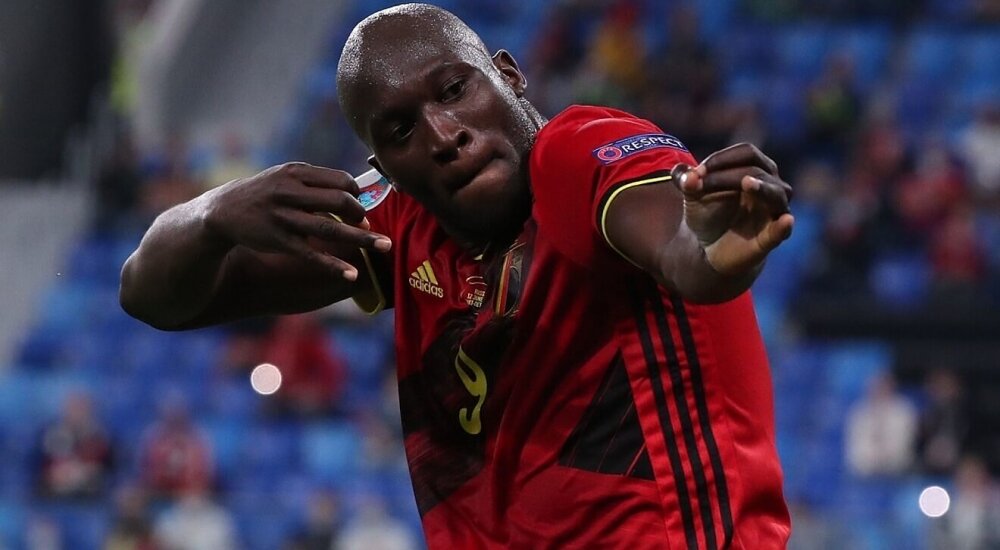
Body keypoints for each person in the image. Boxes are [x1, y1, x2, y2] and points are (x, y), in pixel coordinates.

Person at [120, 4, 795, 548]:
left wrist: (710, 248)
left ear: (508, 74)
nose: (444, 135)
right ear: (381, 165)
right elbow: (152, 296)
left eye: (454, 90)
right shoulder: (398, 229)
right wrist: (211, 214)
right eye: (400, 131)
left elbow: (682, 248)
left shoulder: (577, 153)